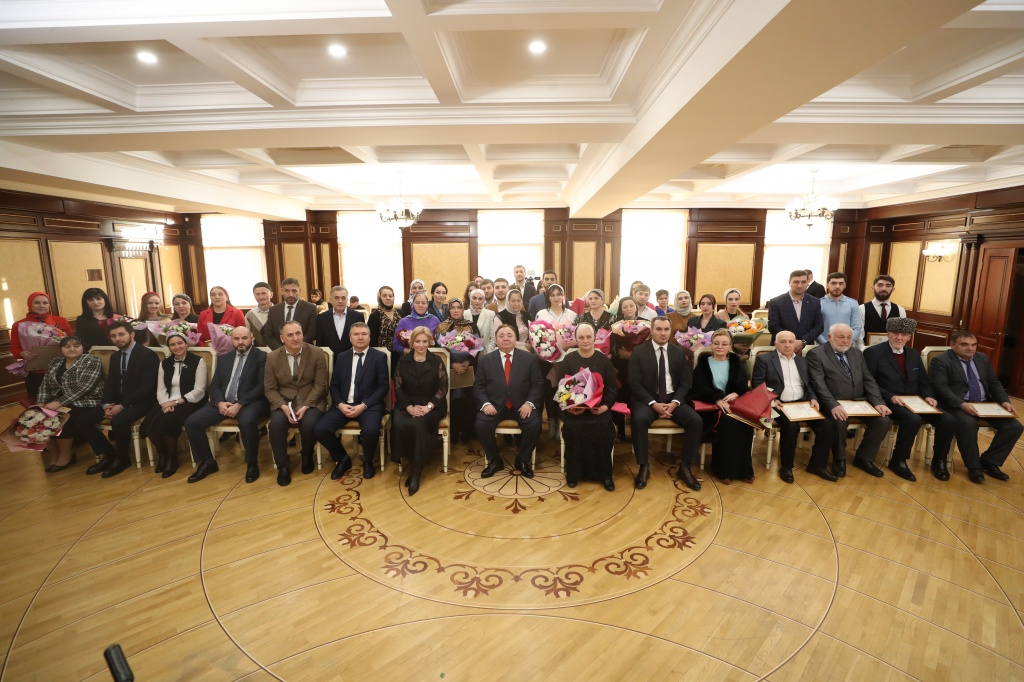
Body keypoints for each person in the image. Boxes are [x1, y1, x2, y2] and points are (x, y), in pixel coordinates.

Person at [863, 318, 956, 482]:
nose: (899, 337)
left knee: (948, 420)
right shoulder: (873, 353)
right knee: (913, 419)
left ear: (909, 336)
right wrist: (890, 396)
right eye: (895, 333)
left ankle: (938, 461)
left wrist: (929, 396)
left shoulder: (913, 354)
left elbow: (923, 381)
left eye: (904, 334)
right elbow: (869, 382)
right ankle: (898, 460)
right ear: (888, 333)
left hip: (916, 401)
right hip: (889, 400)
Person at [929, 329, 1022, 483]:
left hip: (984, 403)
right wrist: (962, 404)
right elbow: (941, 388)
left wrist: (1005, 401)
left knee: (1014, 427)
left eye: (973, 345)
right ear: (953, 345)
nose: (970, 348)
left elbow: (993, 383)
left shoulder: (982, 358)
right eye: (964, 344)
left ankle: (989, 461)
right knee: (968, 424)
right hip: (956, 405)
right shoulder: (941, 361)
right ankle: (974, 467)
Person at [806, 323, 892, 478]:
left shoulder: (856, 353)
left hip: (859, 401)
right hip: (832, 402)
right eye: (841, 337)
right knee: (839, 420)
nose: (846, 341)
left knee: (883, 420)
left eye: (849, 337)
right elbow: (819, 384)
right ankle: (840, 458)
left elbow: (868, 379)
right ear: (830, 337)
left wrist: (878, 402)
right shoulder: (816, 354)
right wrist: (833, 405)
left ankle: (864, 458)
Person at [185, 327, 270, 483]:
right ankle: (208, 462)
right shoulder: (225, 358)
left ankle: (252, 463)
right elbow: (215, 384)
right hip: (224, 402)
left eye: (244, 338)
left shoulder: (262, 357)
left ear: (252, 338)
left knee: (246, 421)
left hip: (251, 402)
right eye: (236, 339)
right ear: (231, 340)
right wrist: (219, 402)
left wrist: (240, 404)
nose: (241, 342)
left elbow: (262, 386)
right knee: (192, 422)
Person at [629, 316, 704, 491]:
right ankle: (644, 467)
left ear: (670, 331)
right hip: (647, 399)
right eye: (659, 329)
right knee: (638, 420)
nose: (663, 333)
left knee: (696, 421)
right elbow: (634, 383)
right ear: (651, 331)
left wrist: (675, 402)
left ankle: (685, 468)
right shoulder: (639, 352)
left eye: (666, 329)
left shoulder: (678, 352)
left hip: (672, 399)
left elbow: (685, 382)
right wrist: (653, 403)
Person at [752, 330, 836, 483]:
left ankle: (817, 465)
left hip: (802, 404)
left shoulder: (802, 361)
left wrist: (813, 398)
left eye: (791, 342)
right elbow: (757, 385)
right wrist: (771, 400)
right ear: (775, 344)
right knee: (791, 427)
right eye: (783, 342)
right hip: (779, 405)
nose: (787, 345)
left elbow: (810, 385)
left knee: (827, 426)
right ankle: (786, 467)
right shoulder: (764, 360)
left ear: (796, 344)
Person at [85, 320, 160, 478]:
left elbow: (147, 387)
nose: (117, 339)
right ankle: (108, 454)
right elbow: (111, 383)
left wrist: (122, 406)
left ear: (132, 334)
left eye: (121, 334)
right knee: (84, 420)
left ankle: (122, 458)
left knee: (119, 420)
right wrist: (106, 404)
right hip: (118, 400)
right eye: (113, 336)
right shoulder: (115, 356)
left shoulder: (147, 355)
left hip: (143, 400)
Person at [315, 322, 389, 480]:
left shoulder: (379, 357)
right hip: (344, 404)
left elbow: (383, 387)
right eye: (356, 334)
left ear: (369, 337)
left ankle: (368, 461)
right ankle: (343, 459)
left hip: (369, 405)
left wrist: (364, 405)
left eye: (364, 334)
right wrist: (340, 404)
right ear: (350, 338)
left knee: (371, 430)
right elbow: (334, 386)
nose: (360, 337)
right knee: (321, 428)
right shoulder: (342, 357)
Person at [474, 324, 544, 479]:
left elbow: (538, 384)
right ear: (496, 339)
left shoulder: (529, 359)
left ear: (516, 338)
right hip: (495, 406)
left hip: (522, 405)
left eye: (509, 335)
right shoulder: (485, 360)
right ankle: (495, 459)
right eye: (501, 336)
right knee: (481, 424)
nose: (505, 338)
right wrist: (486, 404)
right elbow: (478, 386)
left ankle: (523, 459)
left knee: (535, 424)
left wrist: (529, 403)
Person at [264, 320, 328, 485]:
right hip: (284, 401)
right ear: (282, 338)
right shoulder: (272, 357)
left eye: (298, 333)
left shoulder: (316, 353)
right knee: (276, 425)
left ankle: (307, 454)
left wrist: (306, 405)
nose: (295, 338)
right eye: (290, 335)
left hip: (311, 399)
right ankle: (283, 466)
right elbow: (270, 389)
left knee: (309, 424)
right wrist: (282, 406)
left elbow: (320, 385)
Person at [689, 329, 756, 484]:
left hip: (734, 404)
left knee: (746, 423)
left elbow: (743, 385)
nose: (720, 347)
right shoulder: (704, 363)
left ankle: (744, 470)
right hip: (710, 407)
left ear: (730, 346)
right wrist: (716, 399)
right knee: (728, 422)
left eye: (724, 344)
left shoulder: (735, 362)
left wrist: (736, 393)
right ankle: (724, 471)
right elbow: (698, 388)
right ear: (711, 345)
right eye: (717, 343)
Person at [141, 331, 208, 478]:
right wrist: (165, 403)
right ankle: (163, 453)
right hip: (167, 400)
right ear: (169, 347)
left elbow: (199, 389)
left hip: (191, 401)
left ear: (186, 344)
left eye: (179, 343)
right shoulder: (164, 364)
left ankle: (172, 458)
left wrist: (176, 402)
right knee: (149, 422)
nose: (177, 347)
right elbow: (160, 389)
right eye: (172, 344)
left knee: (169, 419)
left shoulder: (198, 361)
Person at [392, 326, 449, 495]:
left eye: (425, 341)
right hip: (407, 403)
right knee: (399, 423)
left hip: (432, 405)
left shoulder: (436, 361)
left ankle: (416, 471)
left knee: (418, 425)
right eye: (417, 341)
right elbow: (398, 387)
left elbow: (443, 387)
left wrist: (428, 406)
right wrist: (409, 407)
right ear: (412, 342)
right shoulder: (403, 361)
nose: (421, 345)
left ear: (430, 342)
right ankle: (410, 462)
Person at [560, 322, 617, 490]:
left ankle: (605, 475)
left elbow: (612, 388)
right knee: (573, 429)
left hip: (598, 410)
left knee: (602, 428)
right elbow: (562, 389)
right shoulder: (569, 359)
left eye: (588, 337)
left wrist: (605, 406)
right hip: (574, 410)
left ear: (594, 338)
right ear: (576, 339)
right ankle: (573, 473)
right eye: (581, 337)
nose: (585, 341)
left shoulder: (603, 360)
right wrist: (570, 407)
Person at [36, 335, 104, 472]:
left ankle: (66, 455)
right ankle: (55, 454)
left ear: (83, 348)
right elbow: (45, 385)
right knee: (36, 417)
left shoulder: (91, 360)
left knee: (61, 417)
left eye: (76, 346)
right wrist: (41, 402)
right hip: (56, 402)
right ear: (61, 349)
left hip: (85, 400)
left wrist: (59, 402)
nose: (72, 349)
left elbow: (84, 387)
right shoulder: (55, 362)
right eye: (67, 346)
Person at [11, 291, 73, 400]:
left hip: (61, 368)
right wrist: (22, 353)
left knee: (64, 399)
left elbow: (73, 341)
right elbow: (14, 347)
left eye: (45, 303)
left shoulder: (60, 321)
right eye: (37, 302)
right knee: (38, 400)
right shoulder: (18, 325)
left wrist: (65, 344)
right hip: (35, 370)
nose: (41, 305)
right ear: (30, 304)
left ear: (49, 305)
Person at [535, 283, 578, 439]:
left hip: (566, 359)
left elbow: (576, 338)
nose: (556, 298)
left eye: (559, 294)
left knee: (564, 391)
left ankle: (561, 422)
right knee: (549, 392)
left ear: (563, 296)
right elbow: (536, 337)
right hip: (546, 360)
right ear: (548, 297)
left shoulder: (572, 315)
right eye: (552, 295)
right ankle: (551, 423)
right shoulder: (541, 314)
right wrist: (547, 351)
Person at [435, 298, 480, 444]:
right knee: (452, 400)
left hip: (468, 368)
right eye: (452, 307)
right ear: (448, 310)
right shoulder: (442, 327)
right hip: (449, 369)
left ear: (462, 309)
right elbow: (439, 349)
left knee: (469, 399)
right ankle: (453, 433)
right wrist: (453, 364)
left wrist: (466, 362)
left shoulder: (471, 326)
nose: (455, 310)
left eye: (458, 307)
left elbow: (477, 347)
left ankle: (468, 432)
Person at [767, 270, 824, 351]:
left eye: (803, 282)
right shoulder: (776, 302)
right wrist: (790, 342)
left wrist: (803, 341)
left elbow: (819, 326)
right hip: (782, 347)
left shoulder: (815, 302)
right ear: (789, 282)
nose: (800, 285)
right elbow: (773, 326)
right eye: (796, 282)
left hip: (806, 348)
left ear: (807, 283)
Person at [611, 296, 642, 440]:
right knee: (620, 395)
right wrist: (619, 352)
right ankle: (621, 430)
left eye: (631, 306)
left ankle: (636, 431)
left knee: (636, 396)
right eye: (625, 307)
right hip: (620, 364)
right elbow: (611, 344)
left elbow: (648, 344)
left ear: (636, 307)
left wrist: (634, 354)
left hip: (639, 365)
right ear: (621, 309)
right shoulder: (616, 325)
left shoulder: (645, 323)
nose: (628, 309)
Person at [263, 278, 319, 350]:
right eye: (287, 291)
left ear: (300, 291)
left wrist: (295, 347)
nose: (290, 294)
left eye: (294, 291)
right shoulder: (274, 310)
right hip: (279, 351)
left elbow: (312, 333)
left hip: (303, 350)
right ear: (282, 291)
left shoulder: (310, 308)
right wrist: (282, 350)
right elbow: (268, 335)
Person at [316, 286, 365, 355]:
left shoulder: (358, 317)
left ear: (347, 300)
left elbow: (362, 341)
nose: (340, 301)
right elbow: (320, 343)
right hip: (330, 359)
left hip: (352, 357)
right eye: (336, 298)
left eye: (343, 298)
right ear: (331, 300)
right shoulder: (322, 318)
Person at [859, 275, 906, 346]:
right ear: (873, 288)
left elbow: (902, 334)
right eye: (880, 285)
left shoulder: (900, 310)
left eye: (888, 286)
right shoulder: (861, 309)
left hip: (891, 350)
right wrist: (862, 350)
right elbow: (859, 334)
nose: (884, 288)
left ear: (893, 289)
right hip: (867, 350)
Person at [816, 272, 861, 347]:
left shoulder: (853, 303)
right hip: (824, 346)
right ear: (827, 285)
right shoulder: (818, 303)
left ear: (845, 285)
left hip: (846, 346)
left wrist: (846, 342)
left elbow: (857, 328)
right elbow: (815, 328)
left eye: (841, 283)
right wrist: (825, 344)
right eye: (833, 283)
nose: (837, 286)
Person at [367, 285, 403, 351]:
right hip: (382, 353)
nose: (388, 298)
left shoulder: (400, 313)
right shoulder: (374, 316)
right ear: (379, 298)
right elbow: (372, 340)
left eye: (390, 296)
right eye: (384, 296)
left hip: (401, 352)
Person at [466, 288, 497, 353]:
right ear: (470, 299)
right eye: (474, 298)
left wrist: (488, 353)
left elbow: (493, 338)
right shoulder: (464, 314)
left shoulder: (490, 314)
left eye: (480, 299)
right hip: (467, 353)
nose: (477, 301)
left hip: (485, 353)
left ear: (484, 300)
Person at [245, 282, 275, 347]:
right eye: (257, 294)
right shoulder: (250, 315)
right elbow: (248, 336)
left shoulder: (279, 312)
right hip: (257, 350)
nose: (261, 297)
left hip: (277, 350)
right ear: (254, 296)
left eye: (264, 293)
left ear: (271, 294)